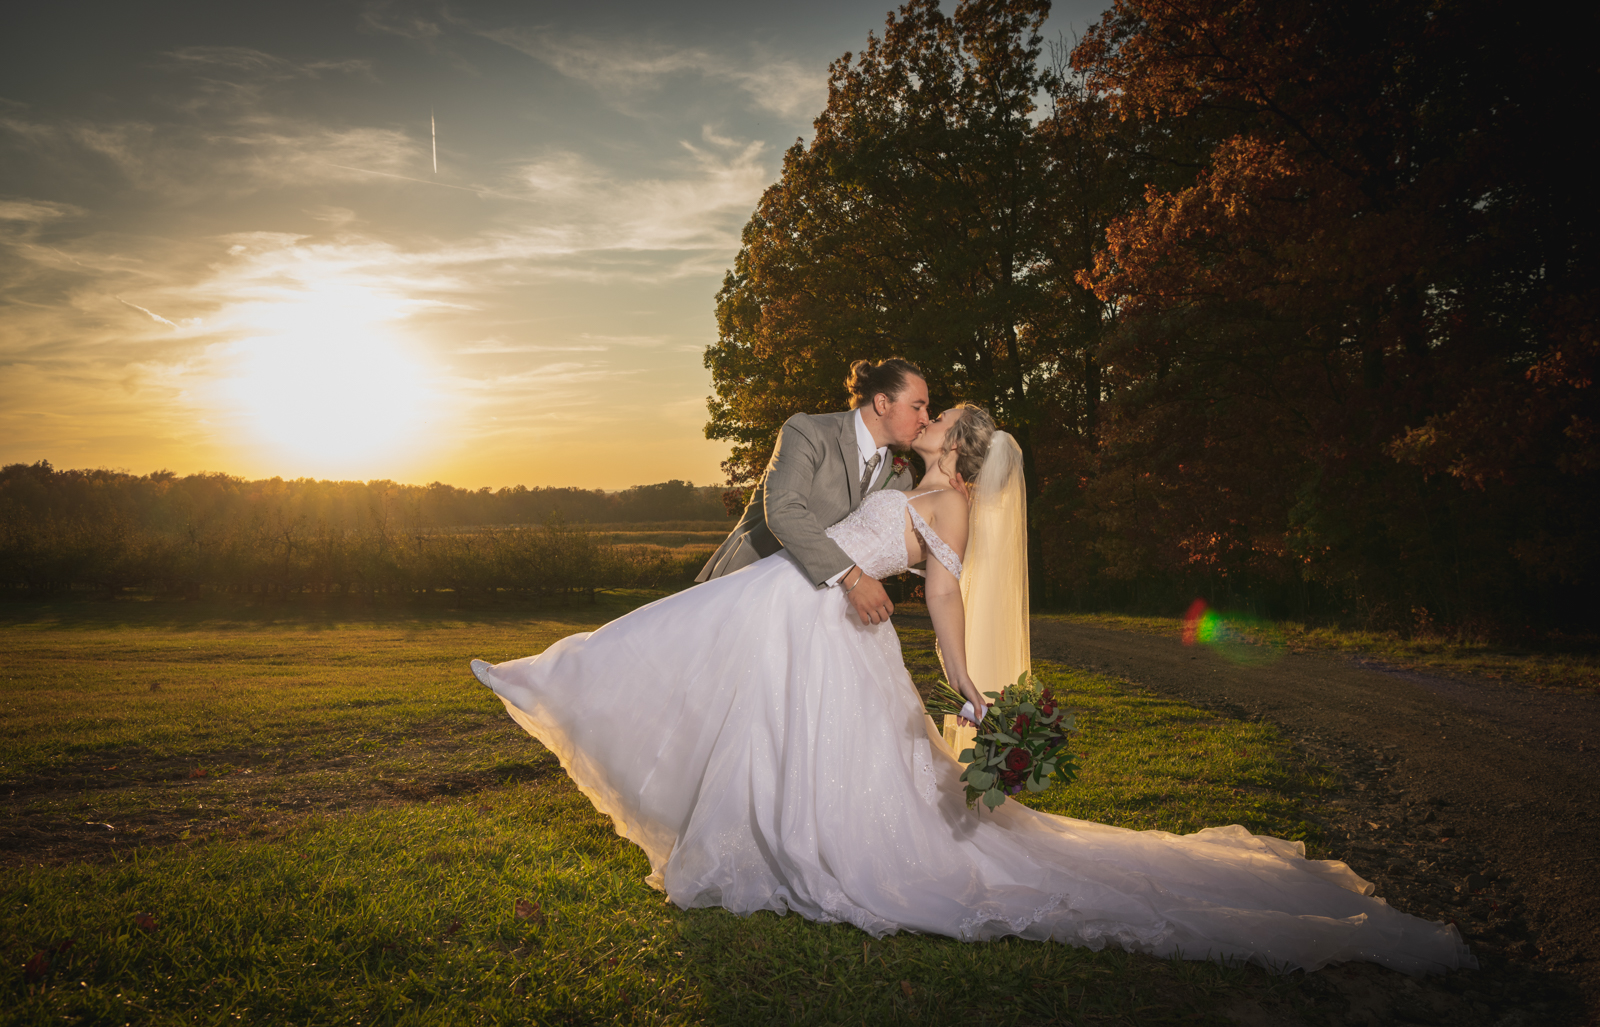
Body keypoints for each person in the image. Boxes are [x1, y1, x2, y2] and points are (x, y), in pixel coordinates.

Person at [469, 388, 1474, 977]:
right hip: (798, 604)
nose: (930, 416)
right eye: (931, 407)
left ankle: (716, 811)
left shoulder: (947, 512)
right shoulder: (914, 485)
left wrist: (968, 689)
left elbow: (945, 608)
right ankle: (569, 687)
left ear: (962, 447)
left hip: (823, 626)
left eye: (940, 417)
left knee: (757, 720)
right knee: (683, 662)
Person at [695, 357, 928, 629]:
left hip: (816, 615)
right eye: (917, 407)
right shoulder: (808, 431)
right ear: (882, 403)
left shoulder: (903, 476)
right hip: (744, 587)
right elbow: (785, 512)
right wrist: (854, 579)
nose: (925, 418)